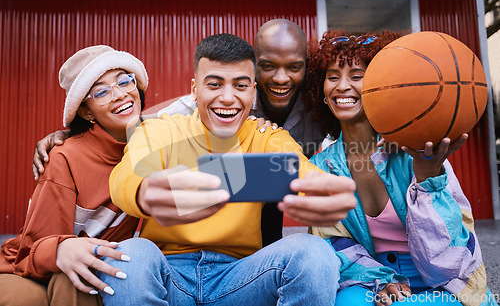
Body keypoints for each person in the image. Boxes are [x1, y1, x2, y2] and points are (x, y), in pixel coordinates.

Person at [95, 33, 357, 305]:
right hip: (167, 272)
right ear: (195, 89)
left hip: (242, 277)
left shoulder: (266, 137)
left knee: (313, 252)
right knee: (129, 255)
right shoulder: (160, 130)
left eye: (240, 86)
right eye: (215, 84)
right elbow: (128, 173)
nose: (228, 98)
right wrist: (143, 190)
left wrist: (320, 190)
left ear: (253, 92)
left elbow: (299, 168)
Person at [31, 19, 325, 246]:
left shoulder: (317, 109)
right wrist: (75, 133)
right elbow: (142, 126)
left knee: (290, 229)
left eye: (294, 67)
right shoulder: (182, 114)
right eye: (268, 66)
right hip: (174, 244)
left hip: (262, 215)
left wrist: (319, 183)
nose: (281, 77)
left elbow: (307, 162)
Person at [303, 30, 498, 306]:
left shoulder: (415, 149)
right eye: (333, 77)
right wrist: (382, 280)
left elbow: (445, 262)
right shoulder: (321, 167)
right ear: (320, 90)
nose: (342, 86)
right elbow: (334, 245)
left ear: (381, 85)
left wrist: (428, 179)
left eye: (357, 76)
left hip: (442, 282)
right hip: (370, 275)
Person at [0, 45, 150, 306]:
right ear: (86, 112)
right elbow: (32, 248)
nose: (120, 94)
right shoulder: (64, 157)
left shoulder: (156, 139)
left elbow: (194, 102)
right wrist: (59, 249)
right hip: (34, 269)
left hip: (96, 268)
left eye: (125, 81)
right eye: (101, 92)